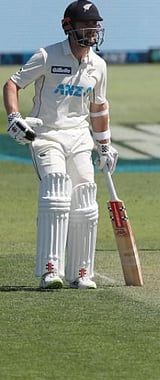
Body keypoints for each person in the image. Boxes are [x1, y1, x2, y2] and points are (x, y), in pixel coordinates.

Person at [3, 0, 116, 290]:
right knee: (56, 189)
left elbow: (99, 108)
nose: (92, 30)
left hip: (79, 137)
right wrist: (15, 117)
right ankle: (49, 270)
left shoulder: (99, 65)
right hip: (47, 134)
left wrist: (104, 146)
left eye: (95, 25)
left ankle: (81, 272)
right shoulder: (46, 55)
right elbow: (12, 84)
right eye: (85, 25)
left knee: (86, 197)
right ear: (69, 27)